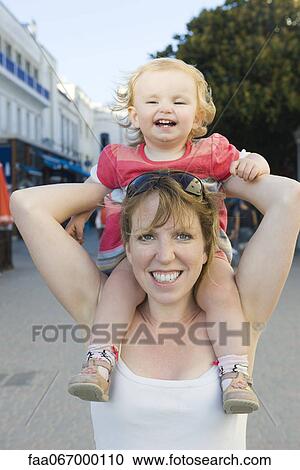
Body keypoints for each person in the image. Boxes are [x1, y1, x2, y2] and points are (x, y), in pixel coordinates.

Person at [10, 172, 300, 449]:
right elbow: (26, 204)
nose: (164, 256)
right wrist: (116, 178)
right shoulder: (103, 311)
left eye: (183, 236)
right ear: (128, 246)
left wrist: (220, 173)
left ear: (206, 248)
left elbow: (289, 197)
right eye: (147, 236)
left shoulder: (238, 314)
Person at [65, 58, 270, 413]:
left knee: (221, 295)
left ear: (199, 115)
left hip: (204, 252)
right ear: (133, 114)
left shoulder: (211, 153)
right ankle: (99, 360)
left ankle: (235, 372)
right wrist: (80, 216)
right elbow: (93, 189)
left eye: (178, 101)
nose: (166, 108)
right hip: (135, 253)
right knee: (117, 291)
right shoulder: (118, 159)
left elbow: (245, 162)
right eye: (153, 101)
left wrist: (257, 164)